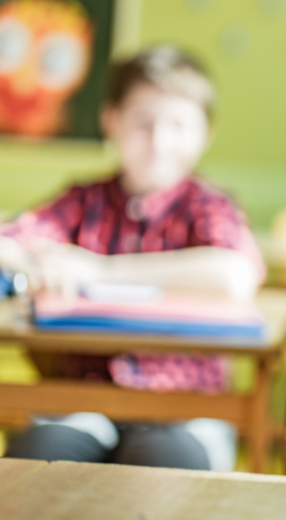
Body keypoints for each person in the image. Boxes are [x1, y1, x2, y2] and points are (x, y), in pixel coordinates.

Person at [0, 46, 264, 471]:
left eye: (178, 124)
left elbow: (235, 274)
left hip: (184, 412)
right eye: (143, 123)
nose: (159, 142)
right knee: (31, 468)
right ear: (112, 122)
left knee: (161, 477)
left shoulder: (210, 207)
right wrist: (30, 263)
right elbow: (10, 239)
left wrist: (98, 269)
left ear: (205, 133)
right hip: (81, 405)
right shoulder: (81, 202)